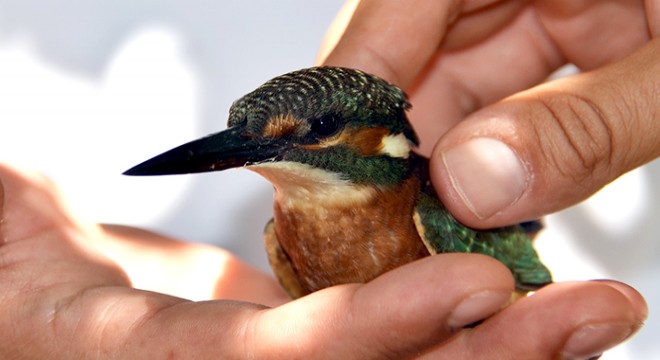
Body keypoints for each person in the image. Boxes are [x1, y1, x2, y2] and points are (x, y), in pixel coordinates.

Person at [0, 1, 655, 358]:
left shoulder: (436, 209)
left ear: (378, 141)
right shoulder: (285, 233)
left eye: (310, 135)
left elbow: (525, 289)